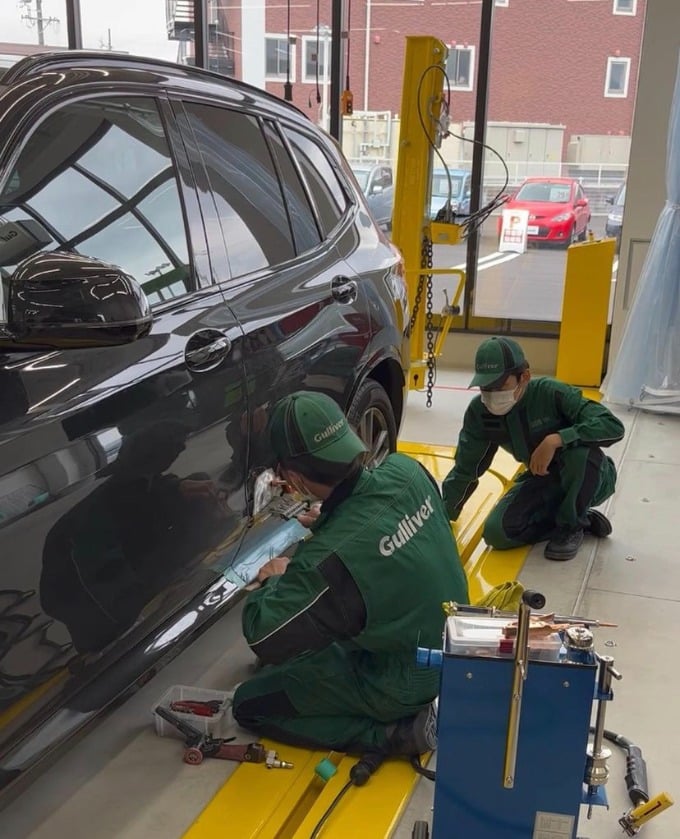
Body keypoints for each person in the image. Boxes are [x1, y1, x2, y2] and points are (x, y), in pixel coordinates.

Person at [232, 391, 469, 756]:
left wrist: (277, 576)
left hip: (400, 682)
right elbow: (381, 530)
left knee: (251, 701)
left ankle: (395, 734)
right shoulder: (408, 470)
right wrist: (331, 522)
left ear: (293, 478)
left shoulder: (328, 561)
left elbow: (267, 637)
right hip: (456, 647)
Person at [442, 337, 625, 561]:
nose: (492, 395)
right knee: (496, 533)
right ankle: (576, 520)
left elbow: (612, 426)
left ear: (524, 377)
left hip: (590, 476)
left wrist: (557, 439)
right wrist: (444, 515)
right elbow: (466, 469)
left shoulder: (551, 393)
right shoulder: (480, 413)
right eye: (485, 387)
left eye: (500, 386)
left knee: (579, 456)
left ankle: (571, 527)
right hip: (542, 478)